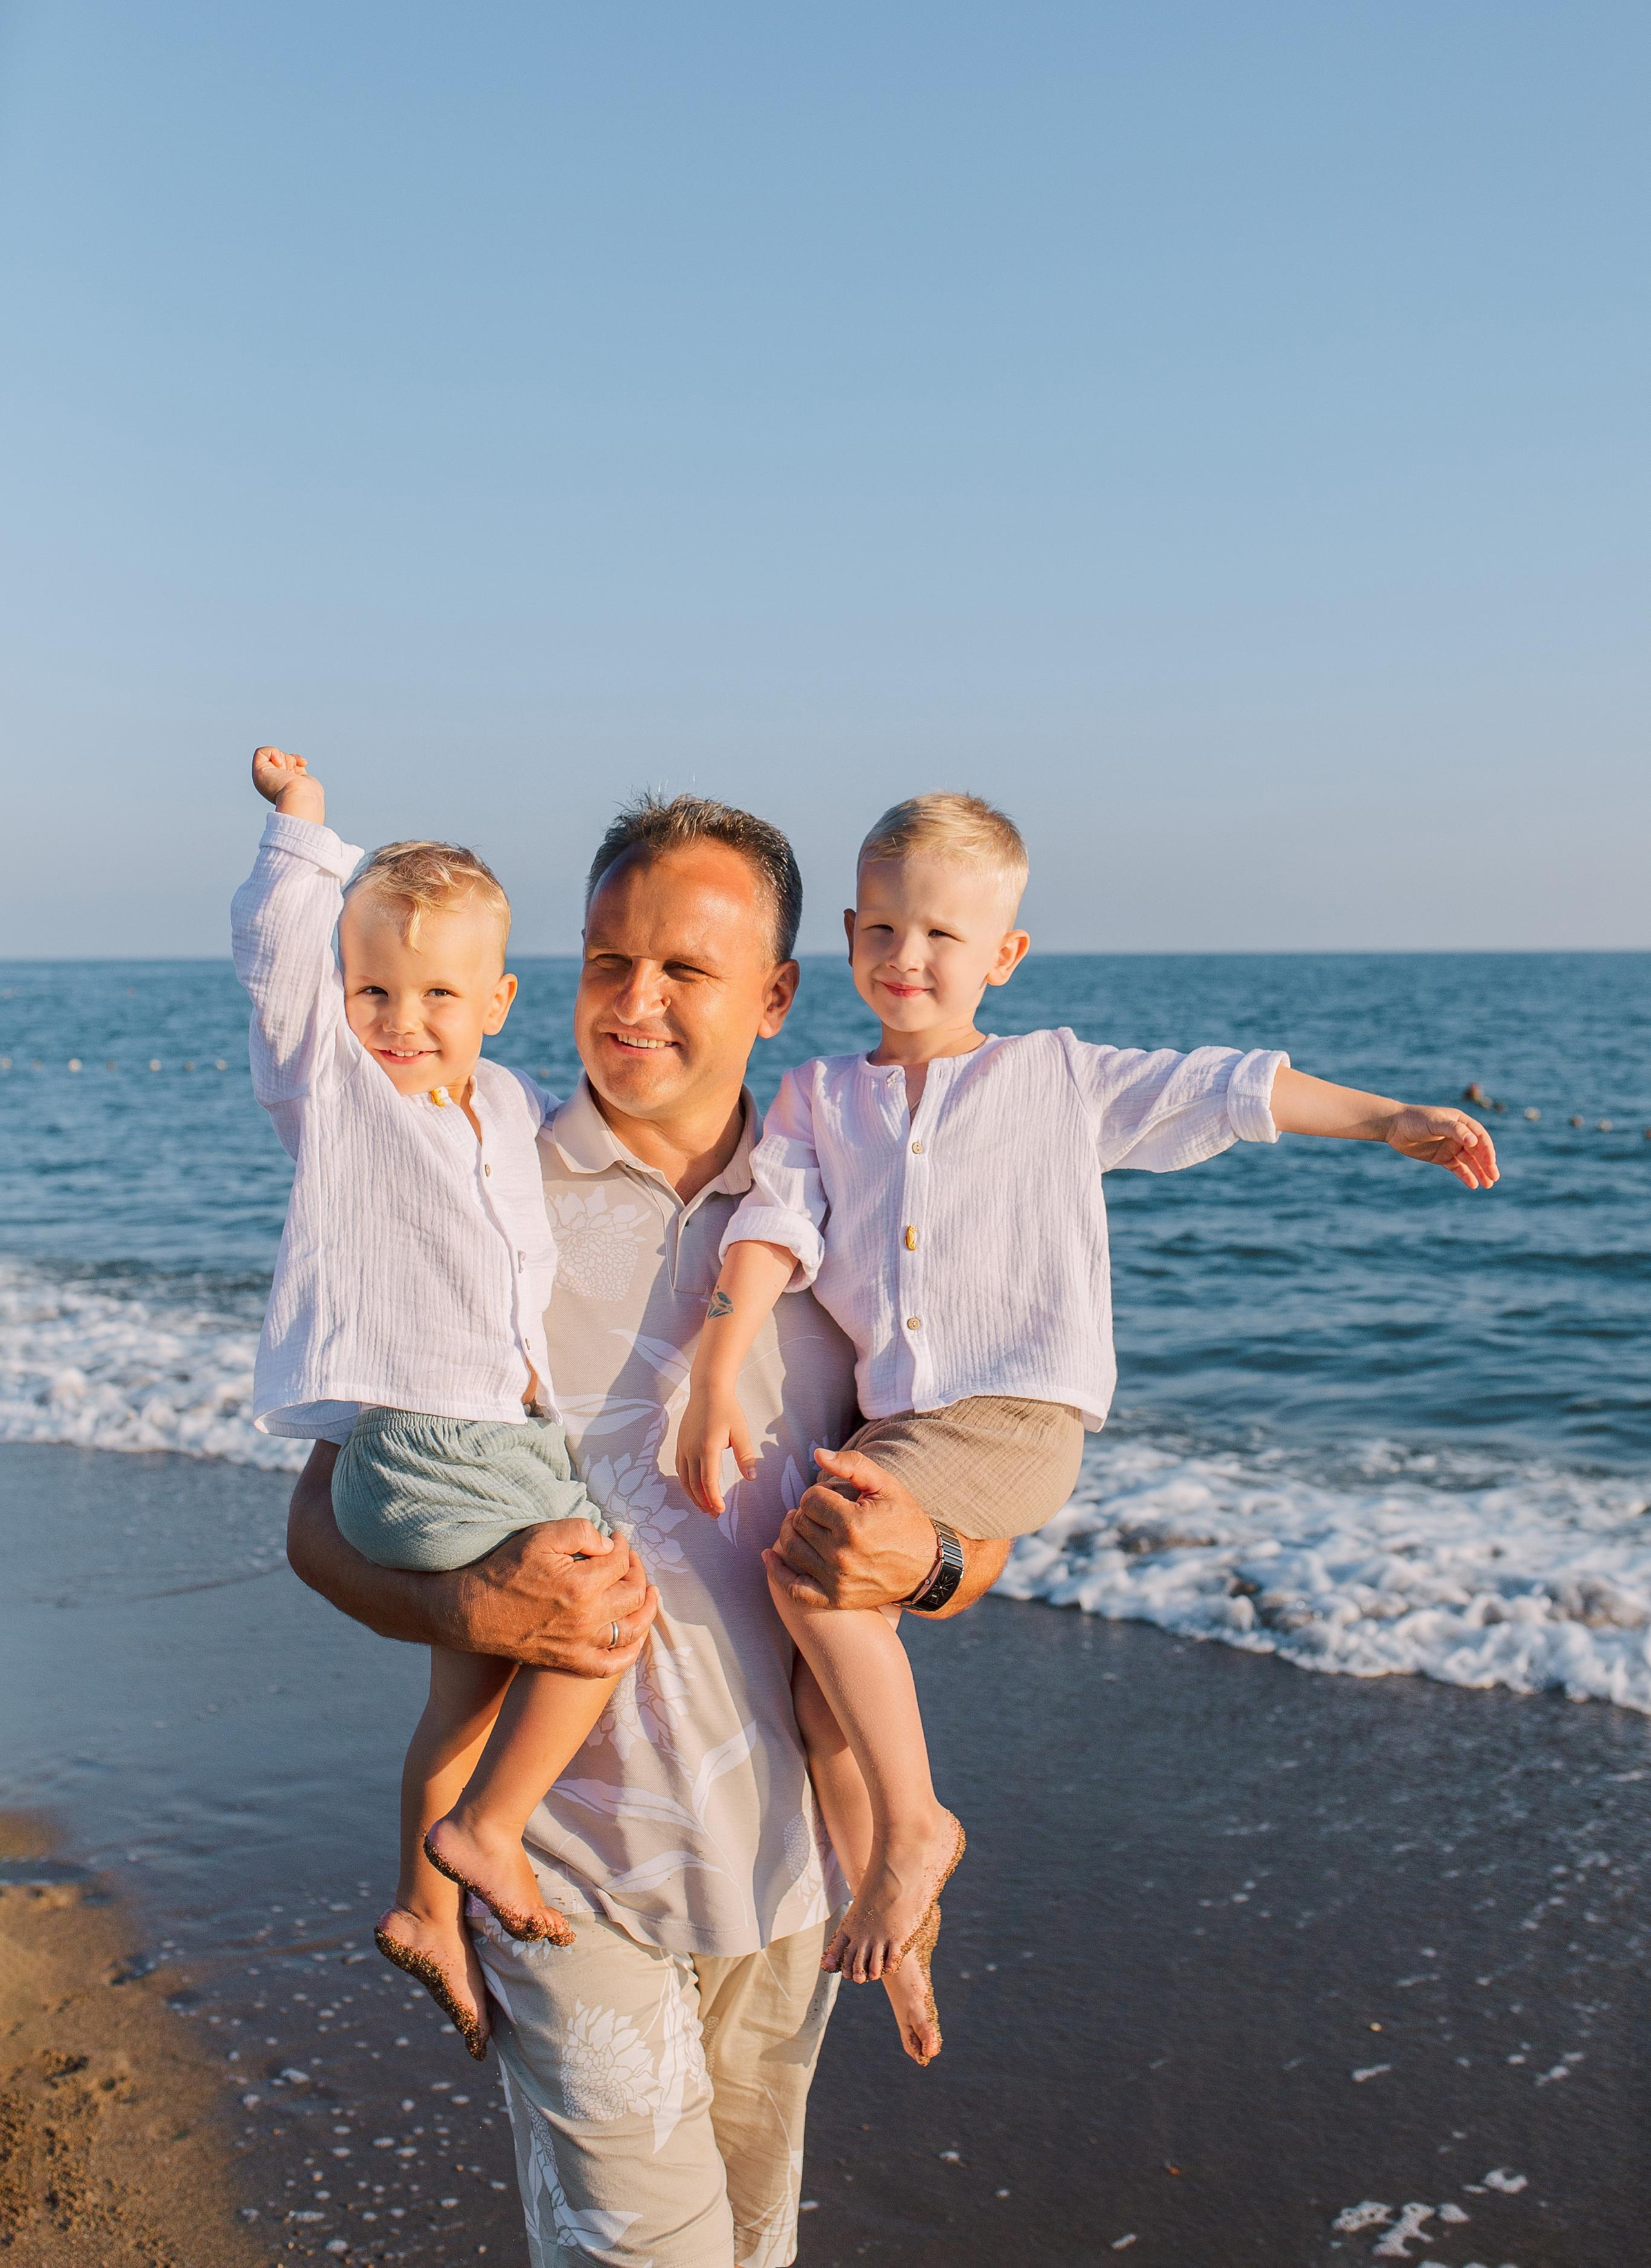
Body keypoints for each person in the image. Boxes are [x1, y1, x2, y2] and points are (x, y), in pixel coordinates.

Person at [284, 793, 1002, 2268]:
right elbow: (319, 1522)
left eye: (684, 969)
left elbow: (968, 1519)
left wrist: (927, 1566)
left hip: (791, 1869)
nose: (635, 1002)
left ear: (778, 994)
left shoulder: (862, 1207)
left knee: (749, 2242)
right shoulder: (465, 1182)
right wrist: (477, 1611)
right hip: (562, 1865)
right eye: (609, 961)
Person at [676, 791, 1502, 2064]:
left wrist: (1388, 1117)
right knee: (815, 1683)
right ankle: (888, 1909)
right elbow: (772, 1230)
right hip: (905, 1423)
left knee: (814, 1576)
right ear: (846, 933)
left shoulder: (1052, 1077)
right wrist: (725, 1352)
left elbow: (1229, 1089)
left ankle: (915, 1832)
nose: (907, 959)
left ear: (1002, 956)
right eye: (883, 929)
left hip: (1010, 1416)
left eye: (943, 937)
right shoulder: (817, 1096)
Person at [233, 746, 630, 2064]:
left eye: (439, 995)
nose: (403, 1019)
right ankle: (487, 1837)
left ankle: (421, 1903)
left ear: (500, 1001)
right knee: (600, 1609)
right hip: (426, 1448)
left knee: (461, 1706)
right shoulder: (342, 1099)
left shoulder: (509, 1104)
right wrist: (304, 835)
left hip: (487, 1442)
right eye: (373, 991)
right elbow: (280, 978)